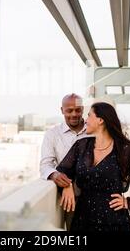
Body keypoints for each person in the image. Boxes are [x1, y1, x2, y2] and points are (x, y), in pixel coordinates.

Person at [55, 102, 130, 231]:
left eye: (89, 116)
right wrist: (67, 185)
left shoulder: (126, 150)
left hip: (114, 221)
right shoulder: (81, 145)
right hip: (83, 219)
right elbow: (62, 171)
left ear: (100, 120)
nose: (85, 120)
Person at [40, 93, 92, 229]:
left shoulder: (93, 131)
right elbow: (45, 165)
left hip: (94, 195)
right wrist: (55, 175)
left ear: (83, 109)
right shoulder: (52, 134)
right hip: (69, 198)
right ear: (62, 110)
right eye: (69, 110)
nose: (74, 114)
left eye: (78, 110)